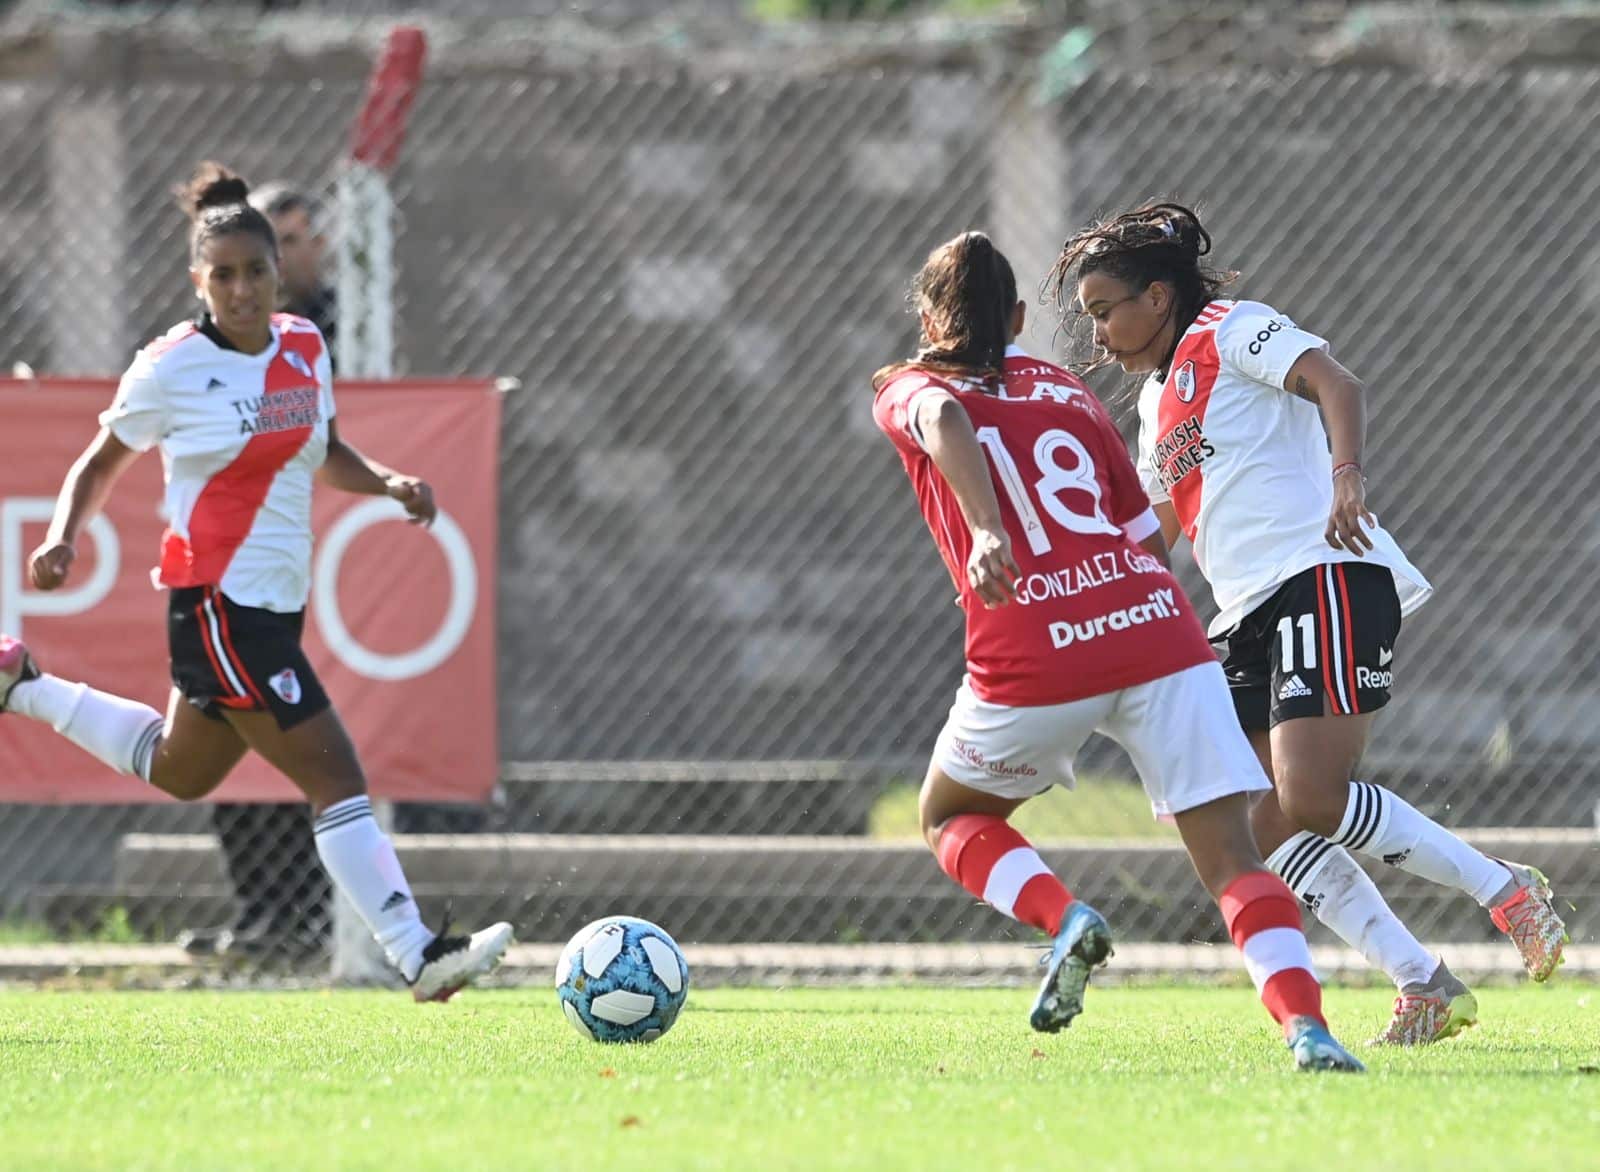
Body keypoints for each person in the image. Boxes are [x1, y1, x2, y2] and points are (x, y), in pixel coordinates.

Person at [1046, 201, 1568, 1045]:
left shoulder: (1234, 328)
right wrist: (1089, 587)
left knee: (1311, 798)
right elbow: (1161, 526)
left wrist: (1347, 476)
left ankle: (1503, 888)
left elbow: (1337, 381)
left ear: (1157, 294)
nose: (1100, 334)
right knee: (1255, 829)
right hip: (1245, 611)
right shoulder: (1153, 406)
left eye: (1106, 310)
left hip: (1318, 576)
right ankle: (1423, 981)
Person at [0, 161, 510, 1000]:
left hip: (272, 606)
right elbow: (100, 462)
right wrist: (61, 537)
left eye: (257, 272)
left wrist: (386, 482)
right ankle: (418, 952)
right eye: (224, 275)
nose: (242, 290)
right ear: (198, 280)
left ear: (282, 274)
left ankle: (21, 685)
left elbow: (324, 451)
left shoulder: (306, 345)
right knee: (336, 779)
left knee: (182, 771)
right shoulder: (170, 367)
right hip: (218, 604)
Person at [872, 231, 1363, 1072]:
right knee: (1236, 862)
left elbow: (945, 416)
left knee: (952, 815)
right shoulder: (1065, 388)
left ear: (925, 317)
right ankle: (1309, 1033)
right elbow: (1143, 528)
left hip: (1035, 643)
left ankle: (1065, 919)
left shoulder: (909, 385)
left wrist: (988, 528)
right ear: (1021, 318)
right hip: (1157, 632)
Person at [180, 181, 338, 965]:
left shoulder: (325, 330)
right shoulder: (195, 349)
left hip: (288, 571)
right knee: (218, 757)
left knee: (310, 752)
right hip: (219, 581)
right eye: (228, 272)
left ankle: (315, 920)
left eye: (294, 244)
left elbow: (329, 436)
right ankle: (263, 917)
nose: (246, 286)